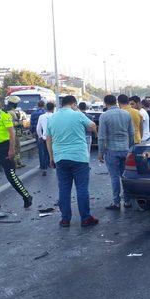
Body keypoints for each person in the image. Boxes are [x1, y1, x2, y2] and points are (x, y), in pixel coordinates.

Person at [46, 95, 98, 228]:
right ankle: (85, 218)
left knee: (63, 188)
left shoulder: (52, 118)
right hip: (79, 157)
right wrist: (79, 112)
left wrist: (51, 157)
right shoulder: (77, 115)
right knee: (82, 188)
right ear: (74, 104)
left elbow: (48, 139)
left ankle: (65, 219)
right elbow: (92, 126)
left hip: (60, 158)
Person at [0, 93, 32, 210]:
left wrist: (11, 149)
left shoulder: (4, 115)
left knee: (11, 176)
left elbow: (12, 133)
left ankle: (27, 196)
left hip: (4, 149)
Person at [98, 94, 134, 210]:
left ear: (106, 103)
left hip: (112, 150)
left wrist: (100, 152)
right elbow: (131, 133)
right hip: (125, 149)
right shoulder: (126, 114)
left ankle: (116, 202)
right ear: (116, 102)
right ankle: (128, 201)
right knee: (125, 176)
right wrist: (130, 148)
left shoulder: (104, 116)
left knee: (114, 177)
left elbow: (102, 137)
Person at [36, 102, 55, 176]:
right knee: (54, 153)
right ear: (53, 108)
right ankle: (54, 166)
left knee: (44, 153)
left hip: (45, 138)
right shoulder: (55, 116)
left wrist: (40, 136)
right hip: (54, 138)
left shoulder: (41, 116)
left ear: (46, 108)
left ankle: (44, 168)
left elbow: (38, 128)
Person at [7, 96, 25, 168]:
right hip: (12, 132)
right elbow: (10, 123)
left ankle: (18, 161)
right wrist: (20, 122)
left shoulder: (13, 111)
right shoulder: (9, 112)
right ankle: (14, 163)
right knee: (14, 148)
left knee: (18, 148)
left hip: (16, 132)